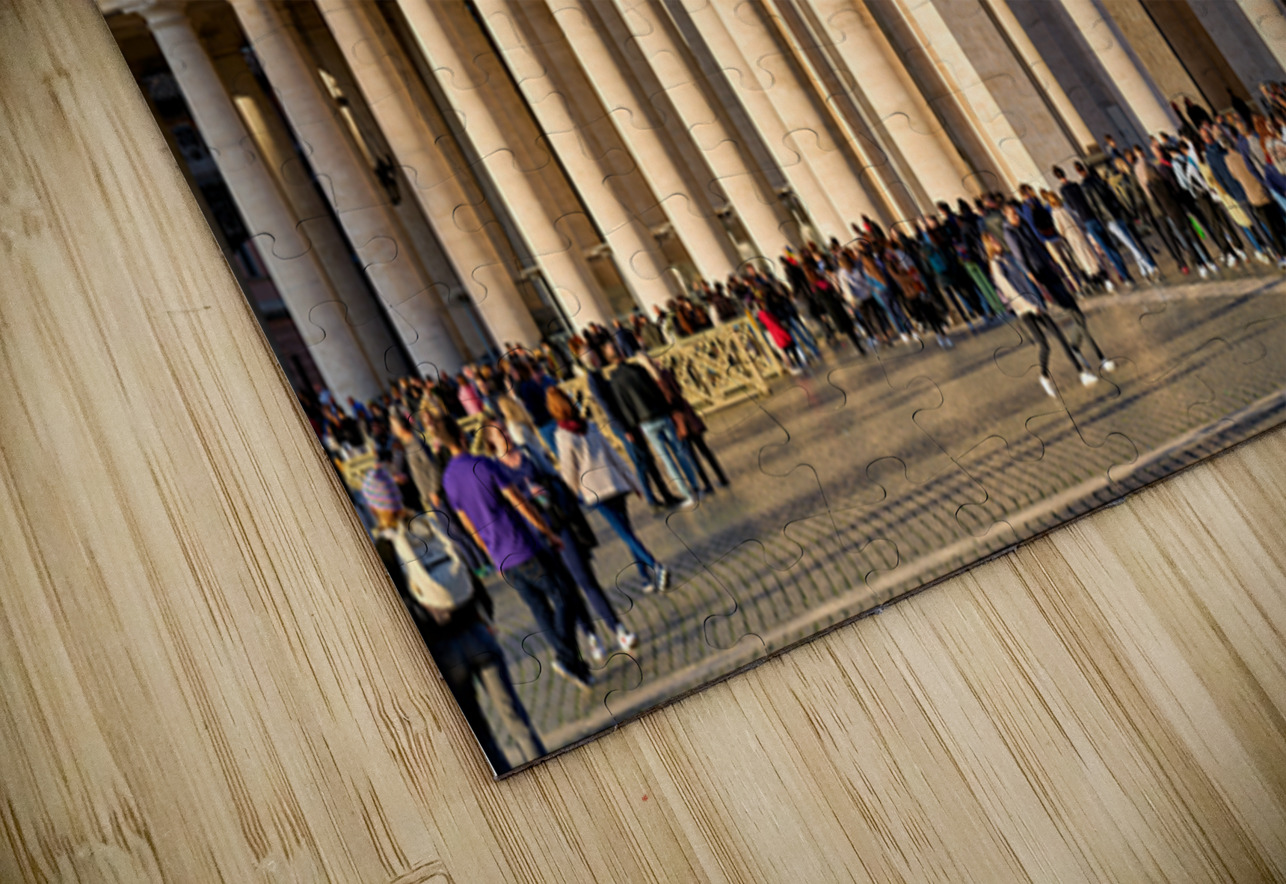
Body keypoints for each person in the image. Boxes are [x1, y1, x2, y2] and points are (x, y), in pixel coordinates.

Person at [364, 466, 545, 773]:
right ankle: (546, 772)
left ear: (374, 507)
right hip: (477, 631)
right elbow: (466, 572)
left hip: (444, 649)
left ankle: (511, 787)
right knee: (514, 717)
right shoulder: (425, 527)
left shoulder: (382, 550)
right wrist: (485, 617)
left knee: (479, 733)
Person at [434, 413, 595, 690]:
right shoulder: (482, 464)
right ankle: (567, 657)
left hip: (501, 557)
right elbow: (518, 500)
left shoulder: (449, 479)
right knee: (564, 595)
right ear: (462, 434)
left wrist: (488, 552)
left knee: (540, 610)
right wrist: (546, 531)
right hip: (521, 545)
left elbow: (467, 524)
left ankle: (575, 666)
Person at [480, 419, 638, 663]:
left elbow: (555, 477)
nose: (506, 434)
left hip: (558, 522)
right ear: (491, 441)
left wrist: (545, 489)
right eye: (499, 432)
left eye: (505, 428)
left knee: (584, 577)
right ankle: (591, 636)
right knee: (566, 588)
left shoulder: (528, 452)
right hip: (534, 535)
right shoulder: (495, 470)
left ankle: (618, 629)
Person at [548, 387, 672, 596]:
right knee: (628, 531)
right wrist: (632, 482)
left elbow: (569, 470)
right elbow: (613, 455)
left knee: (624, 533)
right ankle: (645, 578)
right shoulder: (590, 426)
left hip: (595, 491)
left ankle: (655, 566)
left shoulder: (563, 436)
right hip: (614, 483)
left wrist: (568, 494)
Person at [1002, 201, 1112, 379]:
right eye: (1013, 215)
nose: (1017, 217)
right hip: (1040, 276)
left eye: (1016, 213)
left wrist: (1051, 261)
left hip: (1048, 269)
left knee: (1077, 313)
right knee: (1073, 311)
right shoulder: (1009, 233)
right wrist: (1035, 281)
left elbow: (1038, 244)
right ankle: (1100, 357)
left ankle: (1076, 347)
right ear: (1006, 216)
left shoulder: (1023, 225)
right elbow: (1020, 258)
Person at [985, 234, 1102, 396]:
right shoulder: (995, 265)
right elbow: (1009, 291)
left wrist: (1037, 300)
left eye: (995, 239)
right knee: (1044, 345)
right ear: (988, 246)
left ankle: (1082, 373)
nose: (996, 241)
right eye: (992, 241)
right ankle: (1044, 377)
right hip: (1024, 310)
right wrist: (1029, 306)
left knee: (1060, 337)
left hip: (1034, 305)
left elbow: (1025, 282)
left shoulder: (1008, 258)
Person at [603, 344, 702, 507]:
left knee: (666, 459)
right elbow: (655, 390)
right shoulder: (638, 369)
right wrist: (666, 408)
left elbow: (625, 405)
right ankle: (696, 486)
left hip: (645, 422)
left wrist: (632, 425)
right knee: (679, 450)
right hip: (660, 413)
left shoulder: (615, 381)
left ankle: (686, 493)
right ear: (622, 353)